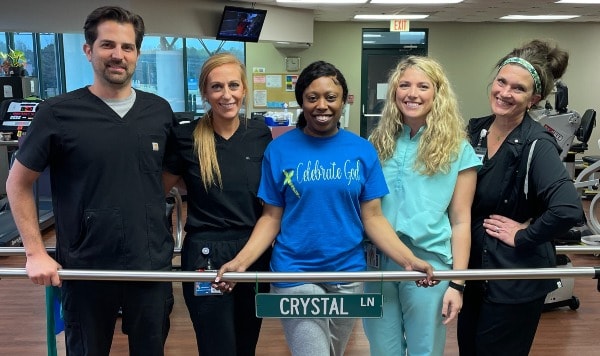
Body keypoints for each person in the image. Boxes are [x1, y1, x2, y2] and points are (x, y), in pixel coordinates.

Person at [213, 60, 436, 356]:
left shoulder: (361, 150)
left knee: (333, 352)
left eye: (331, 97)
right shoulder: (279, 150)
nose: (322, 105)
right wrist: (240, 263)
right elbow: (271, 218)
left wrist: (410, 261)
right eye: (312, 97)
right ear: (301, 101)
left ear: (343, 101)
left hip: (348, 275)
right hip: (294, 274)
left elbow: (373, 217)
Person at [5, 6, 175, 356]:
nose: (118, 55)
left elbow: (165, 176)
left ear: (137, 54)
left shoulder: (159, 111)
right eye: (107, 45)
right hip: (85, 266)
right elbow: (18, 183)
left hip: (149, 263)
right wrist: (35, 252)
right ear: (88, 50)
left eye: (127, 47)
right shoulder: (57, 112)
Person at [457, 39, 584, 356]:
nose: (504, 93)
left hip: (513, 280)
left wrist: (526, 235)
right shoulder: (477, 130)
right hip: (474, 273)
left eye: (518, 88)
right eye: (501, 81)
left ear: (534, 99)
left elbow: (568, 209)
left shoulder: (536, 144)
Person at [363, 56, 480, 355]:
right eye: (404, 85)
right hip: (378, 263)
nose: (412, 93)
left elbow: (461, 220)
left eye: (422, 86)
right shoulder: (377, 143)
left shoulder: (458, 148)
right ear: (394, 92)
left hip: (429, 265)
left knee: (424, 350)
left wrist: (458, 283)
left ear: (437, 93)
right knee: (382, 349)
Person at [162, 53, 272, 356]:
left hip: (254, 252)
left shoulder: (260, 134)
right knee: (216, 347)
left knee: (246, 344)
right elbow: (161, 188)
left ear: (245, 89)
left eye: (234, 85)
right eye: (217, 87)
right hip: (205, 257)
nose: (227, 95)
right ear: (205, 93)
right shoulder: (186, 137)